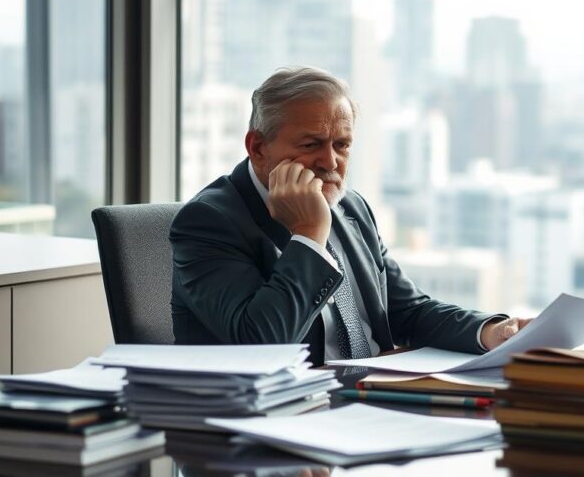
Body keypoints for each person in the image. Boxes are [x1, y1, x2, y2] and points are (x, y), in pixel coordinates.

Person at [170, 66, 528, 365]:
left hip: (371, 398)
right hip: (277, 420)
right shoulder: (209, 222)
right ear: (258, 148)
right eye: (311, 145)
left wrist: (490, 332)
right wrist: (309, 235)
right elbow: (261, 342)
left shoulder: (351, 207)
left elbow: (407, 311)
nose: (330, 163)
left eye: (341, 145)